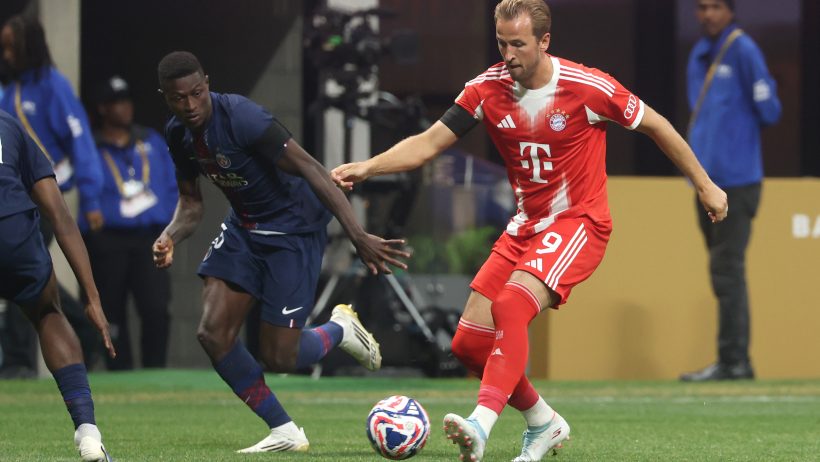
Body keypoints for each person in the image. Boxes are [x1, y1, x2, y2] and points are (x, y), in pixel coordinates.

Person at [331, 1, 728, 460]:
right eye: (501, 43)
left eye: (518, 44)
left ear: (544, 41)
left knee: (511, 305)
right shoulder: (486, 89)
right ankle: (543, 423)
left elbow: (656, 124)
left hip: (580, 222)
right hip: (525, 227)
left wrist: (705, 184)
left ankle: (480, 424)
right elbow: (427, 144)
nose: (508, 54)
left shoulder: (587, 87)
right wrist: (368, 167)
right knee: (469, 344)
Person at [151, 51, 409, 453]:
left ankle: (339, 330)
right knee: (212, 333)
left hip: (293, 230)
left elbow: (311, 168)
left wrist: (357, 235)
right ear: (165, 97)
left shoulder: (243, 117)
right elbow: (191, 203)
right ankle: (285, 430)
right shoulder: (177, 133)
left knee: (280, 358)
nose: (189, 105)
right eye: (178, 98)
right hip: (244, 228)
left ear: (207, 83)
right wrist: (170, 236)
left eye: (197, 93)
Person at [0, 108, 115, 461]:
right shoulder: (8, 123)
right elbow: (59, 214)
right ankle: (88, 434)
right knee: (48, 312)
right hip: (13, 231)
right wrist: (92, 297)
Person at [678, 0, 781, 383]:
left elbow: (770, 110)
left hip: (737, 181)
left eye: (716, 7)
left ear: (730, 11)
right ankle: (732, 359)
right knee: (722, 270)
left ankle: (735, 361)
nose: (708, 14)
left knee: (728, 271)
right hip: (707, 183)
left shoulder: (742, 48)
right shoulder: (699, 53)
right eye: (702, 7)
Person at [0, 14, 103, 375]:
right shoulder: (8, 90)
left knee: (18, 272)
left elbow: (81, 142)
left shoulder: (53, 86)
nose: (7, 53)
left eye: (12, 45)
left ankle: (15, 362)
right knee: (37, 277)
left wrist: (90, 197)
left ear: (31, 45)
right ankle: (87, 333)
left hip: (42, 198)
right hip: (11, 195)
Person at [82, 75, 178, 370]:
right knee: (112, 310)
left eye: (127, 101)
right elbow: (85, 184)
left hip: (150, 236)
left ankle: (155, 370)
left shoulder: (150, 140)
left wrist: (172, 226)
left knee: (155, 308)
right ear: (103, 109)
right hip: (108, 238)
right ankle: (119, 371)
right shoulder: (91, 146)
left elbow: (173, 185)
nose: (124, 108)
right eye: (116, 103)